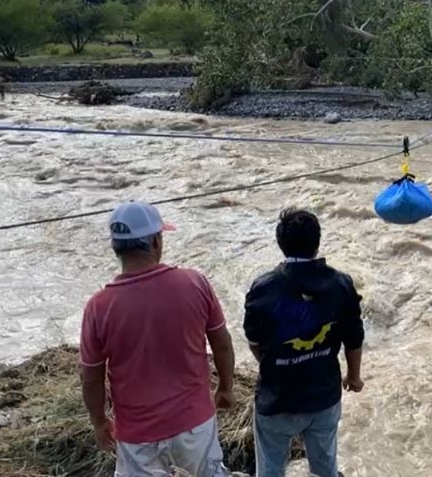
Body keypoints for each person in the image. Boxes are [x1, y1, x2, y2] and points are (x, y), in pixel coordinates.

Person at [80, 202, 235, 477]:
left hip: (137, 435)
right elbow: (221, 342)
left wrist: (99, 420)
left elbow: (91, 377)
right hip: (194, 423)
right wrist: (225, 387)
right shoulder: (195, 283)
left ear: (116, 247)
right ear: (155, 241)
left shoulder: (98, 307)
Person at [245, 209, 365, 477]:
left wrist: (277, 363)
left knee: (270, 470)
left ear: (281, 244)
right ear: (317, 243)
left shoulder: (263, 288)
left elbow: (254, 341)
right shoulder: (341, 284)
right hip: (324, 397)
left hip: (277, 400)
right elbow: (354, 337)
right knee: (325, 468)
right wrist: (353, 376)